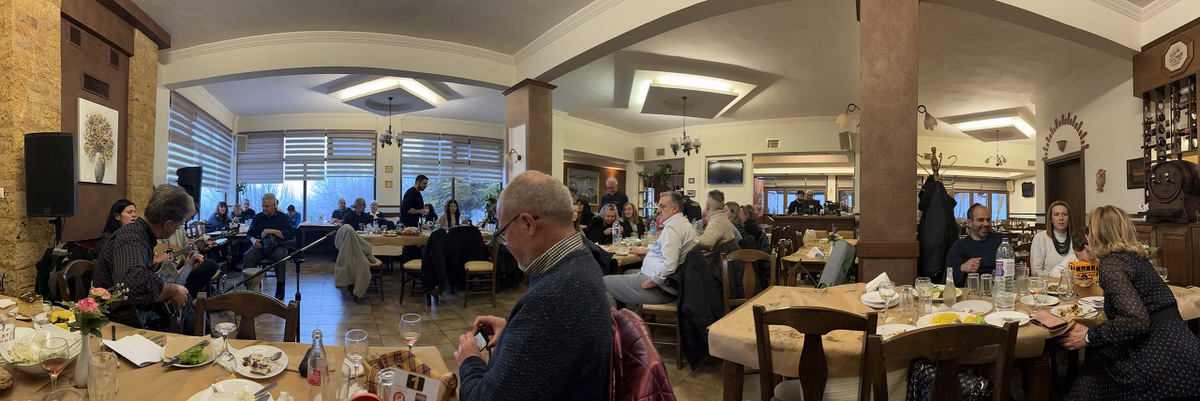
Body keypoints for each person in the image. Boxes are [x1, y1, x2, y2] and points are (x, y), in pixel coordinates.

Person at [453, 171, 611, 401]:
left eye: (504, 232)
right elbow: (556, 338)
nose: (506, 242)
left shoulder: (552, 299)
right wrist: (513, 328)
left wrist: (470, 360)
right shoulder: (583, 259)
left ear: (528, 224)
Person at [1058, 205, 1200, 400]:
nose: (1088, 236)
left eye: (1090, 230)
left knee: (1092, 373)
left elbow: (1137, 320)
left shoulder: (1111, 264)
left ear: (1099, 234)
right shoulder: (1138, 259)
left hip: (1154, 363)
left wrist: (1090, 335)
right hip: (1187, 355)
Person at [93, 185, 191, 332]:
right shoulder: (131, 237)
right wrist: (171, 290)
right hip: (115, 322)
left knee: (188, 310)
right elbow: (133, 284)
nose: (177, 230)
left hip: (133, 312)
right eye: (178, 226)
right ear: (168, 224)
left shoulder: (141, 235)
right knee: (190, 320)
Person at [604, 191, 696, 310]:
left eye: (662, 207)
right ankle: (633, 316)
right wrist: (642, 251)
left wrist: (651, 281)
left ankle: (616, 321)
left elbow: (669, 265)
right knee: (627, 272)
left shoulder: (673, 228)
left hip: (662, 288)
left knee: (603, 282)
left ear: (674, 208)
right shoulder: (683, 223)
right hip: (671, 284)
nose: (658, 210)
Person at [242, 193, 296, 300]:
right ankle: (252, 285)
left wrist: (272, 231)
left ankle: (280, 287)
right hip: (261, 246)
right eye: (262, 206)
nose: (264, 209)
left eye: (267, 206)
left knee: (279, 256)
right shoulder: (258, 217)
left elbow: (290, 234)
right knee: (248, 256)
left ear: (274, 205)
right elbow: (249, 234)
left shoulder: (283, 217)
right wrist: (253, 240)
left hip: (278, 245)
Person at [945, 203, 1002, 287]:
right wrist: (962, 268)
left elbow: (1014, 267)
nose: (986, 224)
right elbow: (946, 279)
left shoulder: (1000, 241)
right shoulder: (960, 246)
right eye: (981, 220)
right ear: (969, 223)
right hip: (972, 290)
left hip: (1000, 288)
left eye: (988, 220)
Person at [1031, 200, 1072, 277]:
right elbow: (1036, 271)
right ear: (1050, 219)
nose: (1061, 218)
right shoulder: (1040, 238)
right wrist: (1058, 276)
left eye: (1064, 214)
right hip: (1048, 282)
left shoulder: (1076, 238)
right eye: (1056, 215)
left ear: (1069, 218)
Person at [696, 190, 739, 257]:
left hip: (721, 261)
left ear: (707, 206)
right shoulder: (723, 218)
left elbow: (707, 242)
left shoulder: (716, 222)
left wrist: (691, 239)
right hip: (730, 258)